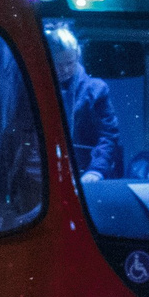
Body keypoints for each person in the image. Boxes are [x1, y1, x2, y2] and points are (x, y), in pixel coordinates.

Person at [46, 24, 123, 181]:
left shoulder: (96, 90)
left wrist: (96, 170)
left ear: (77, 57)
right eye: (58, 64)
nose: (65, 70)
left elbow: (108, 135)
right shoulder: (36, 88)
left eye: (70, 63)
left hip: (87, 173)